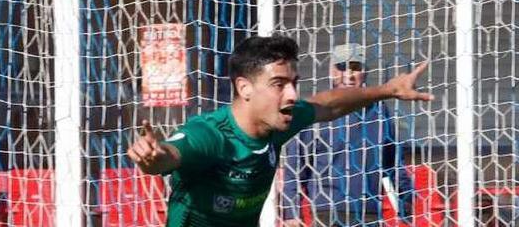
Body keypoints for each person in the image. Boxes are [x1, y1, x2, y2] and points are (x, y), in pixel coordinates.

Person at [127, 35, 432, 227]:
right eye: (279, 84)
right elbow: (175, 152)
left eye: (294, 83)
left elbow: (328, 105)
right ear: (244, 88)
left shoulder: (279, 121)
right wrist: (154, 158)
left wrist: (387, 89)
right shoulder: (212, 134)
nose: (292, 95)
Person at [280, 43, 415, 226]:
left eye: (356, 68)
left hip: (369, 212)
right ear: (331, 71)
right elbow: (295, 167)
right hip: (328, 210)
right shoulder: (315, 110)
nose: (348, 75)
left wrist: (406, 201)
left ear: (365, 72)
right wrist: (291, 213)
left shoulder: (379, 112)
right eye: (342, 67)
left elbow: (392, 163)